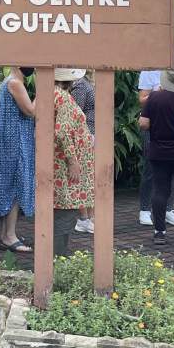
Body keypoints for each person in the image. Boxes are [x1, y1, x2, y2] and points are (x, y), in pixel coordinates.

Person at [139, 60, 174, 248]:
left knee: (160, 190)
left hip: (158, 150)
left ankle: (159, 232)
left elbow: (143, 124)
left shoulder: (154, 97)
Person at [0, 66, 37, 253]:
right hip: (15, 140)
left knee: (6, 184)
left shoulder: (7, 81)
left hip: (6, 137)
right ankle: (10, 236)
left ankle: (5, 234)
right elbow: (31, 111)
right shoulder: (16, 83)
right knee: (15, 185)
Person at [137, 46, 174, 228]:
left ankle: (168, 209)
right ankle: (144, 209)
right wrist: (160, 92)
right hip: (153, 121)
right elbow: (141, 98)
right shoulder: (149, 71)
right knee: (150, 167)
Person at [52, 67, 95, 256]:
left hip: (61, 161)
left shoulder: (53, 94)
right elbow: (62, 130)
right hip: (64, 164)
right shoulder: (62, 97)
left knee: (65, 207)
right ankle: (58, 255)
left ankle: (58, 253)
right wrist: (72, 161)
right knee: (66, 207)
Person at [68, 68, 96, 234]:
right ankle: (83, 218)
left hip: (92, 134)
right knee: (84, 178)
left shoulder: (88, 83)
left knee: (91, 178)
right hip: (84, 135)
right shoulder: (80, 85)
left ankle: (90, 217)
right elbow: (75, 113)